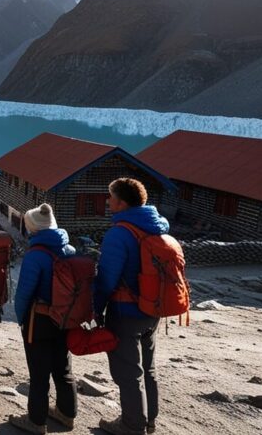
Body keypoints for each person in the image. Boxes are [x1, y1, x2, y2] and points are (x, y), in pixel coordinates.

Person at [95, 178, 167, 435]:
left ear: (122, 203)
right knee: (148, 367)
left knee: (128, 372)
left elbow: (106, 279)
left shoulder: (120, 234)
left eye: (110, 196)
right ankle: (149, 420)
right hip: (154, 309)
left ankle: (131, 425)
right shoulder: (157, 227)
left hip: (125, 312)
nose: (107, 200)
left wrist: (96, 309)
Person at [8, 203, 78, 434]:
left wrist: (21, 318)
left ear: (33, 229)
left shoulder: (35, 255)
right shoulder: (70, 250)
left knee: (39, 374)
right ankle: (67, 414)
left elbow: (24, 293)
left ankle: (36, 422)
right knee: (63, 368)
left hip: (38, 321)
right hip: (65, 318)